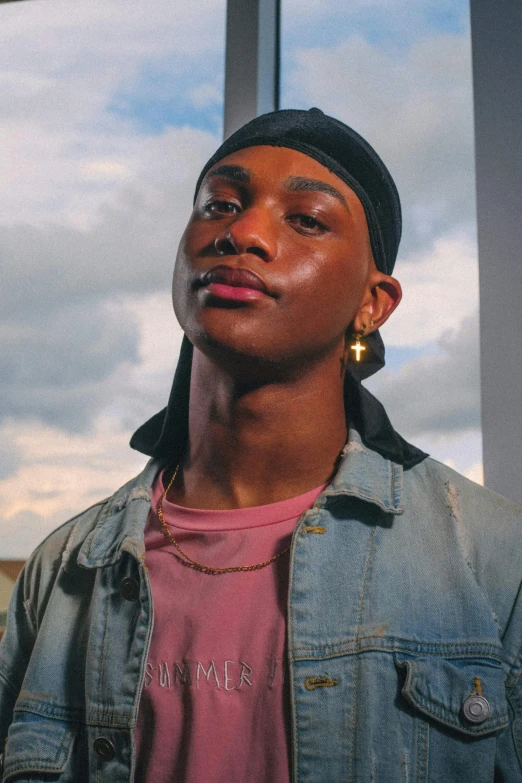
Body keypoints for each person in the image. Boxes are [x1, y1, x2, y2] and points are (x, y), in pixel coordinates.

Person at [0, 108, 521, 783]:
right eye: (220, 204)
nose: (241, 232)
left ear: (374, 303)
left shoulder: (492, 565)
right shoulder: (63, 573)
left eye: (304, 218)